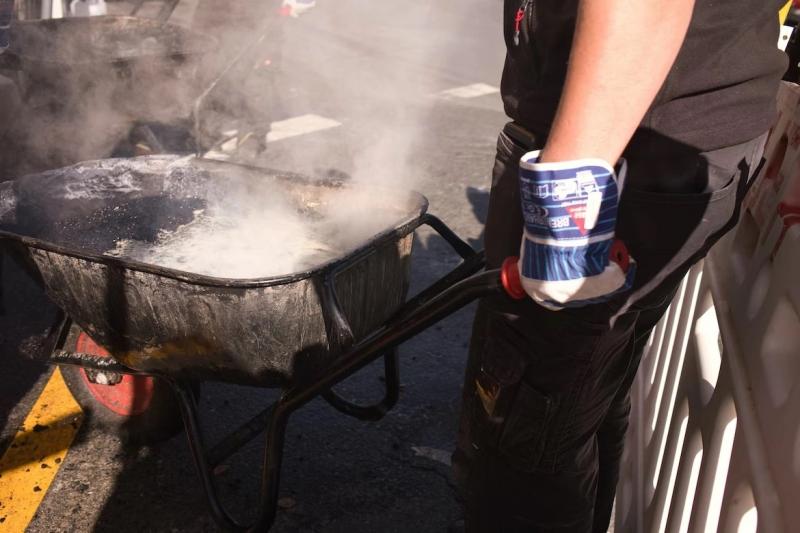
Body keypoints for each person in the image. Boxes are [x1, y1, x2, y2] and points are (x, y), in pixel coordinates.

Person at [453, 1, 788, 531]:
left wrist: (563, 210)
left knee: (522, 440)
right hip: (657, 137)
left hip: (621, 149)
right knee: (574, 405)